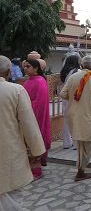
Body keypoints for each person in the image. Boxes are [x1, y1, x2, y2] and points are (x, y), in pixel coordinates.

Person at [0, 56, 46, 211]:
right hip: (9, 152)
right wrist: (37, 150)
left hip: (9, 150)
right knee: (13, 191)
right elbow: (28, 124)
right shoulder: (15, 90)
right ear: (8, 72)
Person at [60, 55, 91, 181]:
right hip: (88, 115)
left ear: (81, 65)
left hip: (73, 114)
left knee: (80, 143)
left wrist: (76, 100)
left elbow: (63, 93)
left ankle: (80, 168)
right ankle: (81, 171)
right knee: (89, 143)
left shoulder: (73, 76)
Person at [23, 58, 51, 179]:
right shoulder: (28, 81)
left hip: (34, 117)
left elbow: (40, 103)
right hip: (26, 116)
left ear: (35, 68)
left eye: (27, 66)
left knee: (32, 142)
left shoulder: (40, 82)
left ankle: (36, 170)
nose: (25, 68)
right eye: (24, 66)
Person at [60, 55, 81, 149]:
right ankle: (76, 143)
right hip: (74, 97)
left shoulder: (64, 72)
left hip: (65, 97)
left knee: (66, 120)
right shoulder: (78, 71)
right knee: (75, 120)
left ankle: (67, 143)